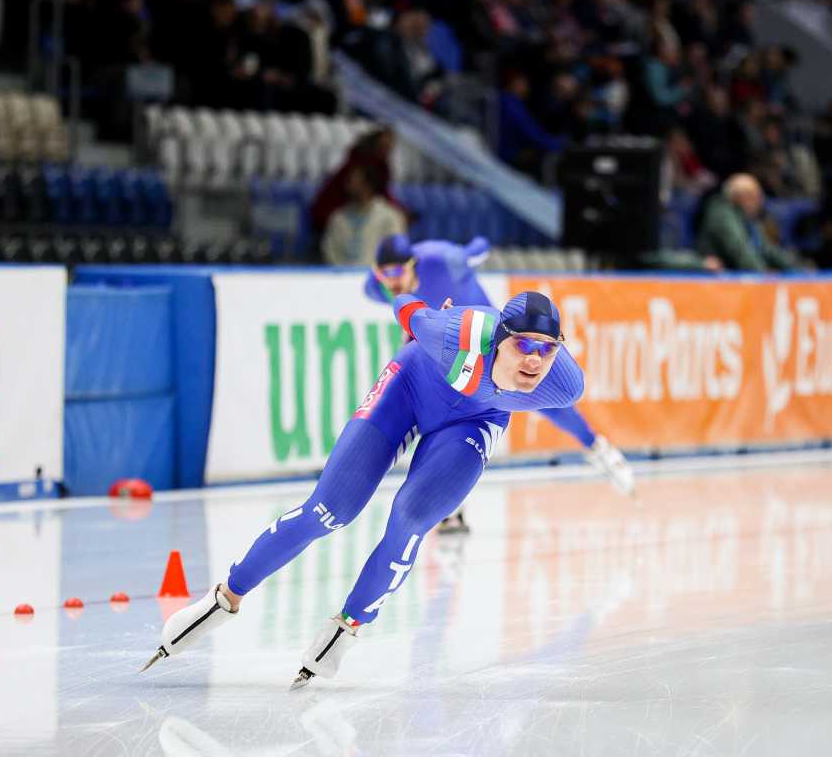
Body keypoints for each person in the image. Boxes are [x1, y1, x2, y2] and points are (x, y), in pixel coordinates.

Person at [142, 290, 585, 689]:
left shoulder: (563, 384)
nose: (534, 360)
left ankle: (348, 625)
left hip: (475, 421)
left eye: (547, 348)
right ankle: (224, 598)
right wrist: (424, 318)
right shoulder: (457, 334)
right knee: (329, 510)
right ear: (499, 339)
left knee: (411, 519)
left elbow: (550, 384)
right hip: (411, 386)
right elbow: (405, 306)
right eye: (524, 345)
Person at [367, 234, 636, 518]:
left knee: (543, 396)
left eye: (397, 272)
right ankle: (449, 506)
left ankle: (597, 447)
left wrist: (473, 251)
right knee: (432, 408)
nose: (391, 281)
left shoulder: (442, 260)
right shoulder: (376, 287)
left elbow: (479, 246)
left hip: (490, 344)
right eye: (384, 274)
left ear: (413, 264)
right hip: (445, 346)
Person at [320, 164, 407, 266]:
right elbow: (330, 250)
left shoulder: (390, 216)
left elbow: (395, 252)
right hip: (341, 274)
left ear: (367, 185)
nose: (348, 186)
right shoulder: (338, 217)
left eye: (354, 181)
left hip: (376, 274)